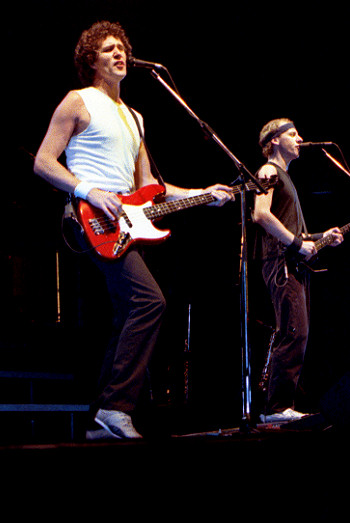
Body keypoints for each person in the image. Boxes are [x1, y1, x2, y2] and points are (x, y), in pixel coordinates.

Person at [33, 20, 233, 439]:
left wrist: (202, 193)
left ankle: (101, 416)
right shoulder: (78, 101)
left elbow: (149, 187)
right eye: (109, 49)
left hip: (124, 220)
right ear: (92, 60)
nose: (119, 53)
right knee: (149, 300)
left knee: (129, 311)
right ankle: (116, 407)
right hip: (89, 215)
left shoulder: (135, 118)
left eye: (122, 47)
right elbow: (44, 162)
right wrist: (90, 190)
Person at [252, 118, 344, 423]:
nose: (300, 138)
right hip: (280, 262)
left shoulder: (285, 177)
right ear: (274, 140)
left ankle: (279, 406)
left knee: (297, 331)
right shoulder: (268, 171)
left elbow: (293, 233)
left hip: (290, 260)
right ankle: (276, 408)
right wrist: (296, 243)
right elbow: (261, 214)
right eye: (292, 134)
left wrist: (319, 237)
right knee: (294, 331)